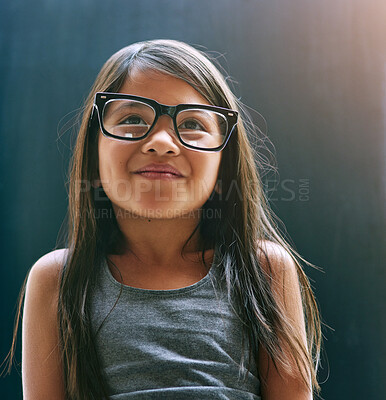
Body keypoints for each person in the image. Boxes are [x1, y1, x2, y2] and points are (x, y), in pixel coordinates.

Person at [6, 39, 322, 399]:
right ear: (94, 154)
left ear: (224, 166)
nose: (160, 141)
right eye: (132, 119)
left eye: (191, 123)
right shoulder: (57, 280)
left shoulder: (264, 270)